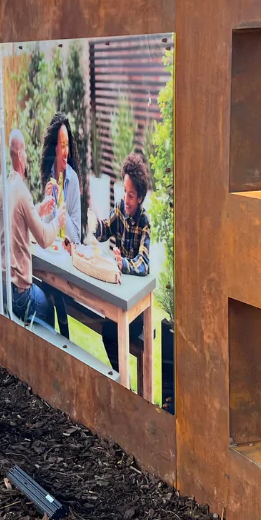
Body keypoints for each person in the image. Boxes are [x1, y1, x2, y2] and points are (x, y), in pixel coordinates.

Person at [90, 152, 151, 372]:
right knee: (107, 331)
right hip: (119, 297)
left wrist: (122, 263)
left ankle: (122, 384)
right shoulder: (120, 209)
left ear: (141, 198)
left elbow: (144, 264)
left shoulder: (144, 223)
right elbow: (105, 228)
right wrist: (93, 225)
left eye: (131, 195)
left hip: (136, 308)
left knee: (109, 332)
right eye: (125, 192)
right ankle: (121, 380)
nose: (126, 199)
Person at [6, 127, 63, 327]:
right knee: (49, 308)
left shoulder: (9, 185)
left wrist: (40, 208)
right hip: (20, 295)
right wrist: (59, 220)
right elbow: (45, 239)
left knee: (50, 296)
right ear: (21, 155)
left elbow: (20, 216)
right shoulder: (22, 191)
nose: (28, 156)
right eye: (26, 152)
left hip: (7, 288)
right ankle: (51, 354)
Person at [39, 113, 82, 337]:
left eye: (67, 145)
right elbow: (44, 229)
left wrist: (61, 213)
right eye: (61, 145)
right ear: (53, 148)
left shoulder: (72, 180)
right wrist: (48, 205)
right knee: (46, 284)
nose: (65, 151)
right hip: (51, 255)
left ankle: (62, 338)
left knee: (52, 288)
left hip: (67, 257)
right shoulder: (49, 177)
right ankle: (55, 339)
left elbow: (77, 238)